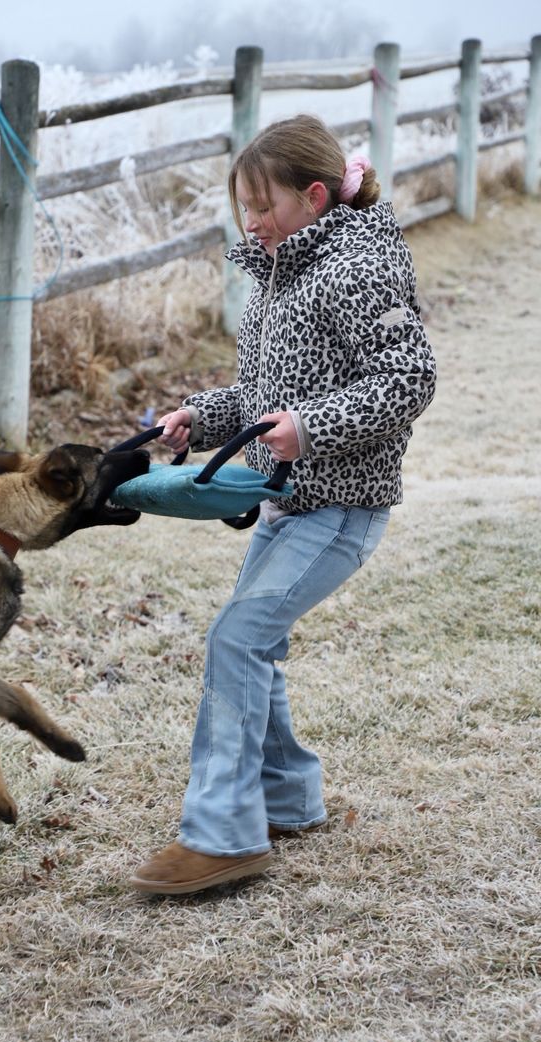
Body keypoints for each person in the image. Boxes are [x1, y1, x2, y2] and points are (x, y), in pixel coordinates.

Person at [130, 114, 436, 896]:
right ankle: (289, 798)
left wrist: (312, 427)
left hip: (342, 505)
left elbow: (410, 379)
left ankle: (222, 836)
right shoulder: (279, 271)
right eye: (244, 207)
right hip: (285, 501)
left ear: (314, 197)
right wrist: (201, 416)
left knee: (237, 639)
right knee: (252, 642)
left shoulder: (359, 266)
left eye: (264, 206)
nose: (252, 221)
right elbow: (263, 396)